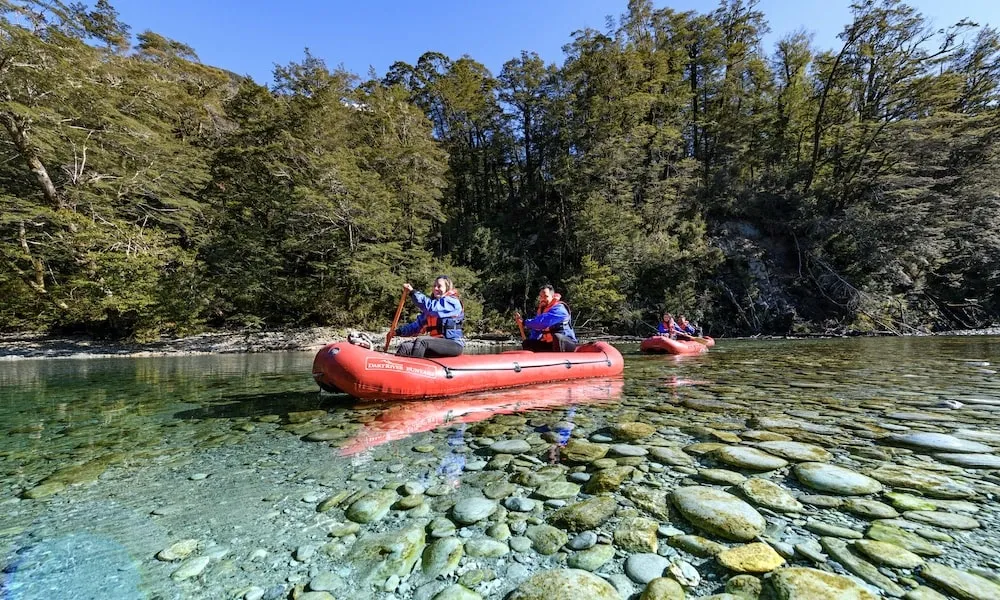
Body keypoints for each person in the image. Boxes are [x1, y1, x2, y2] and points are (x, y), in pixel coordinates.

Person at [391, 276, 465, 358]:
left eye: (439, 286)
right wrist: (397, 332)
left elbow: (431, 307)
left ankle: (416, 367)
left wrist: (413, 292)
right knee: (405, 346)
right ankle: (398, 367)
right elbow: (417, 326)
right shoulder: (432, 308)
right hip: (437, 343)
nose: (436, 288)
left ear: (447, 288)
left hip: (453, 344)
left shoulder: (452, 302)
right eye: (434, 286)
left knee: (422, 342)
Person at [517, 285, 577, 352]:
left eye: (546, 296)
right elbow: (536, 331)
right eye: (541, 297)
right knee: (528, 343)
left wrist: (524, 322)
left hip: (566, 343)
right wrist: (529, 343)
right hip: (550, 344)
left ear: (552, 296)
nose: (543, 299)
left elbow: (542, 323)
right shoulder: (542, 311)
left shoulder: (560, 309)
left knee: (557, 337)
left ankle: (560, 359)